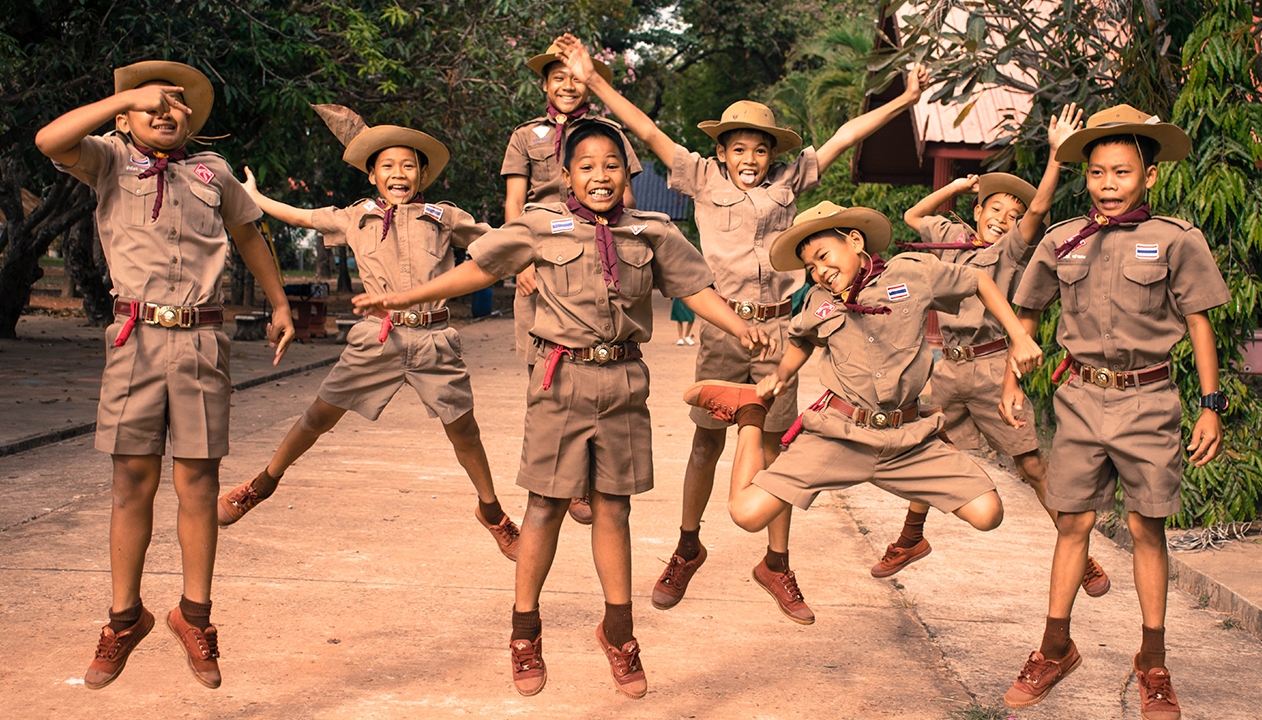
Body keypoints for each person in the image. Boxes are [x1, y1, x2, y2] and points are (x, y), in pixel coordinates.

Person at [351, 120, 774, 699]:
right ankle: (525, 631)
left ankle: (619, 632)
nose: (600, 176)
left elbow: (692, 289)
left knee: (613, 509)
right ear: (568, 173)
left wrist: (739, 325)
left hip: (624, 381)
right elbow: (480, 269)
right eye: (587, 166)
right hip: (559, 379)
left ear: (628, 173)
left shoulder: (651, 231)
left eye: (611, 165)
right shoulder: (539, 224)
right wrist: (401, 298)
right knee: (545, 507)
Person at [557, 32, 928, 623]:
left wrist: (903, 102)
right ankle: (687, 546)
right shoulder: (700, 178)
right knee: (706, 440)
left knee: (781, 451)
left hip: (781, 334)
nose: (749, 160)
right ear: (723, 152)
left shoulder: (791, 179)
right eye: (739, 149)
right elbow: (648, 132)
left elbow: (843, 137)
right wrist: (595, 79)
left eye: (759, 149)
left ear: (771, 153)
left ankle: (776, 564)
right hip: (724, 330)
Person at [34, 60, 295, 689]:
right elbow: (48, 141)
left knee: (199, 483)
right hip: (135, 340)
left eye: (177, 102)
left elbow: (250, 233)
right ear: (123, 116)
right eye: (150, 102)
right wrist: (121, 98)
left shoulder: (213, 172)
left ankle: (194, 615)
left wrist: (280, 301)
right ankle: (125, 617)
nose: (164, 109)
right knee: (130, 481)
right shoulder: (108, 160)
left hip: (204, 339)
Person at [682, 201, 1042, 607]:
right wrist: (780, 376)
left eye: (823, 256)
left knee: (987, 512)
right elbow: (802, 338)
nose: (819, 271)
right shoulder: (819, 299)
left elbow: (978, 279)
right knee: (746, 514)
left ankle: (924, 504)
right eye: (811, 267)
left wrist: (1019, 337)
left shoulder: (910, 272)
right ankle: (749, 413)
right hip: (841, 435)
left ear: (855, 241)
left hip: (906, 439)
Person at [999, 105, 1227, 720]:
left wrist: (1210, 406)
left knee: (1146, 529)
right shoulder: (1060, 239)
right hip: (1077, 402)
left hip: (1150, 403)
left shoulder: (1177, 240)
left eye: (1121, 172)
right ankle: (1054, 647)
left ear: (1148, 176)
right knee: (1071, 524)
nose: (1107, 183)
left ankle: (1153, 663)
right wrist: (1012, 375)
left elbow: (1200, 323)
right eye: (1097, 172)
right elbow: (1028, 313)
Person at [215, 105, 519, 561]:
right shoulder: (353, 216)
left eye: (409, 165)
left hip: (435, 340)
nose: (399, 174)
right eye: (388, 166)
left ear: (422, 174)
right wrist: (254, 197)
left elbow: (499, 241)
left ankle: (492, 512)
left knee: (465, 432)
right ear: (373, 175)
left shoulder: (445, 216)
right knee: (318, 417)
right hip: (377, 338)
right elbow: (301, 217)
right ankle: (262, 485)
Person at [873, 105, 1112, 594]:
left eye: (1013, 215)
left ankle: (1080, 556)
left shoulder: (1008, 251)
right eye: (996, 210)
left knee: (1030, 465)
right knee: (926, 449)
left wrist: (1055, 157)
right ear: (978, 213)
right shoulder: (950, 236)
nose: (1004, 220)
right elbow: (913, 214)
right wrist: (959, 188)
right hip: (945, 370)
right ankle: (910, 538)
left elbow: (1041, 210)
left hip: (989, 367)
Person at [502, 40, 645, 525]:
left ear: (587, 81)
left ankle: (586, 483)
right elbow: (514, 200)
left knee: (601, 359)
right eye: (556, 77)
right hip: (544, 252)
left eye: (574, 77)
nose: (566, 85)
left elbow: (624, 193)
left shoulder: (608, 135)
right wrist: (519, 260)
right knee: (543, 365)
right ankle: (554, 476)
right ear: (544, 85)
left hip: (598, 250)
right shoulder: (527, 136)